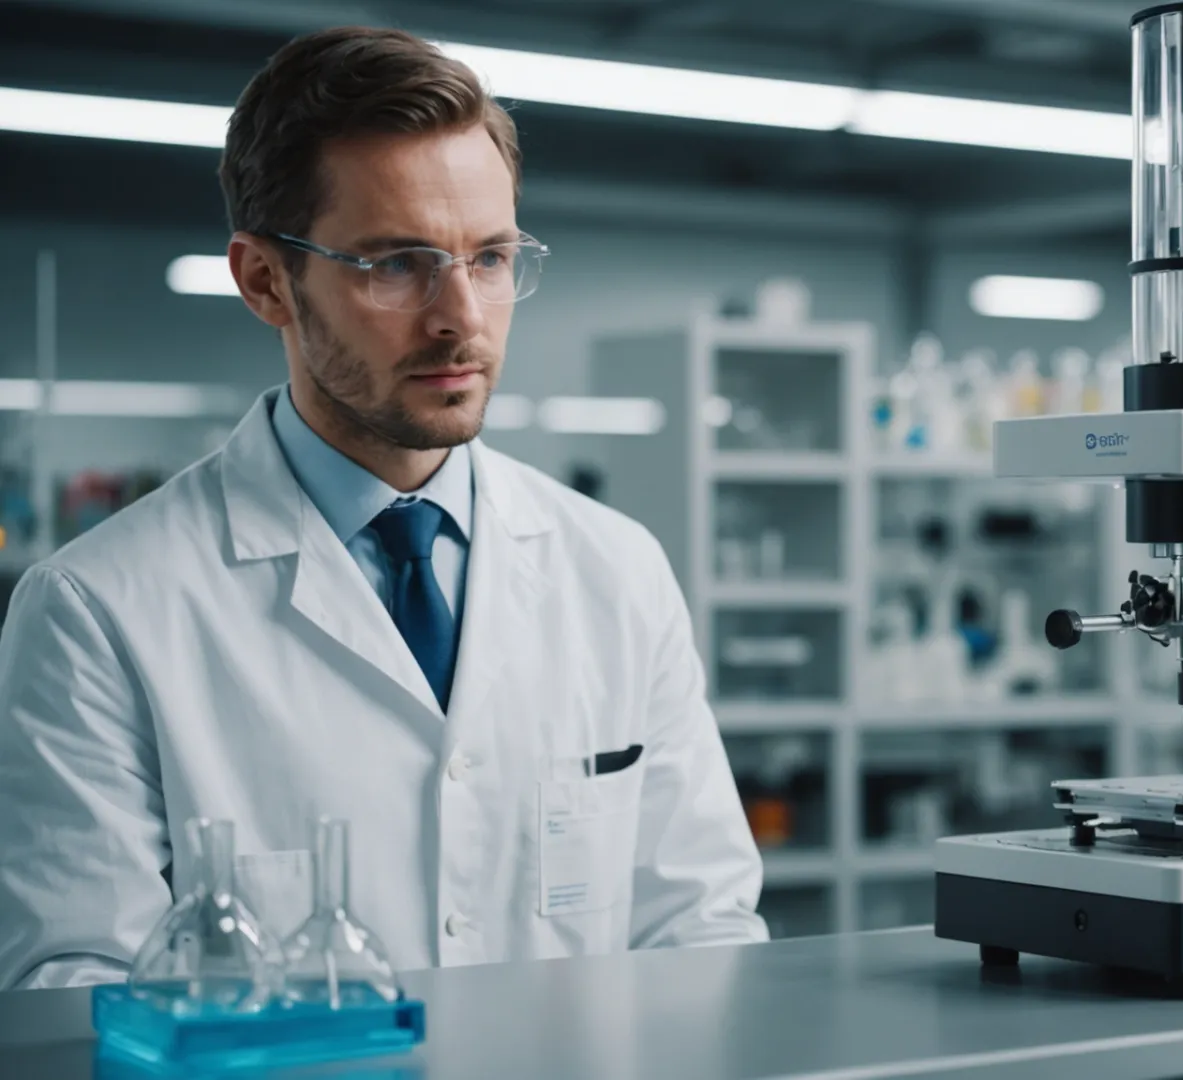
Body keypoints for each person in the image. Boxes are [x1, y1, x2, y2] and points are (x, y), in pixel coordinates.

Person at [0, 27, 767, 989]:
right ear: (265, 280)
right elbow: (77, 993)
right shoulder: (98, 610)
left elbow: (701, 928)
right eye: (396, 264)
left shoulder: (616, 569)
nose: (462, 316)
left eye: (489, 258)